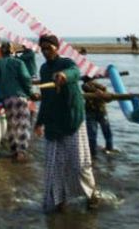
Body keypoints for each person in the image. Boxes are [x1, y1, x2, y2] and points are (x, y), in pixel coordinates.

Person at [34, 35, 98, 212]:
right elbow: (46, 99)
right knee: (54, 166)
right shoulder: (44, 70)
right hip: (53, 123)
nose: (46, 51)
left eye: (49, 48)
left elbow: (74, 72)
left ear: (57, 48)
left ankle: (92, 195)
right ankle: (59, 201)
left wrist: (64, 76)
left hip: (72, 120)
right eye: (43, 48)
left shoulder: (67, 63)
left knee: (79, 164)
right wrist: (39, 122)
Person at [0, 42, 34, 161]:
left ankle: (14, 152)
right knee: (23, 125)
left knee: (12, 126)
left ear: (1, 52)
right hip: (20, 98)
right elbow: (26, 78)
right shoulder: (18, 62)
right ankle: (21, 152)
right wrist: (30, 93)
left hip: (7, 99)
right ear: (12, 51)